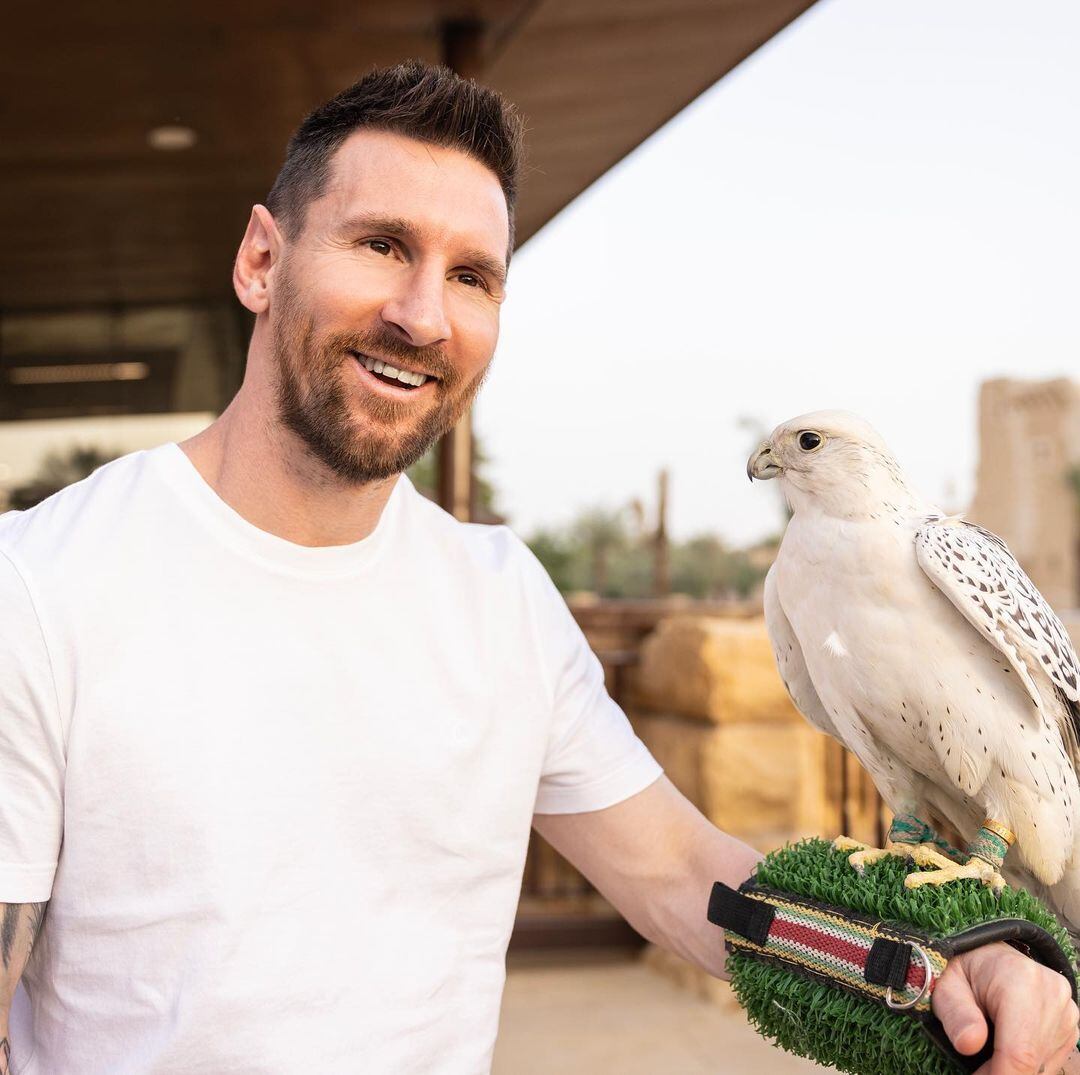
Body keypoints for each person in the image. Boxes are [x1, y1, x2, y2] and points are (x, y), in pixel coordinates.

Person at [0, 60, 1075, 1075]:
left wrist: (940, 968)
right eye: (381, 245)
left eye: (471, 275)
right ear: (262, 261)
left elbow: (678, 880)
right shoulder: (43, 587)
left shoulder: (500, 597)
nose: (423, 315)